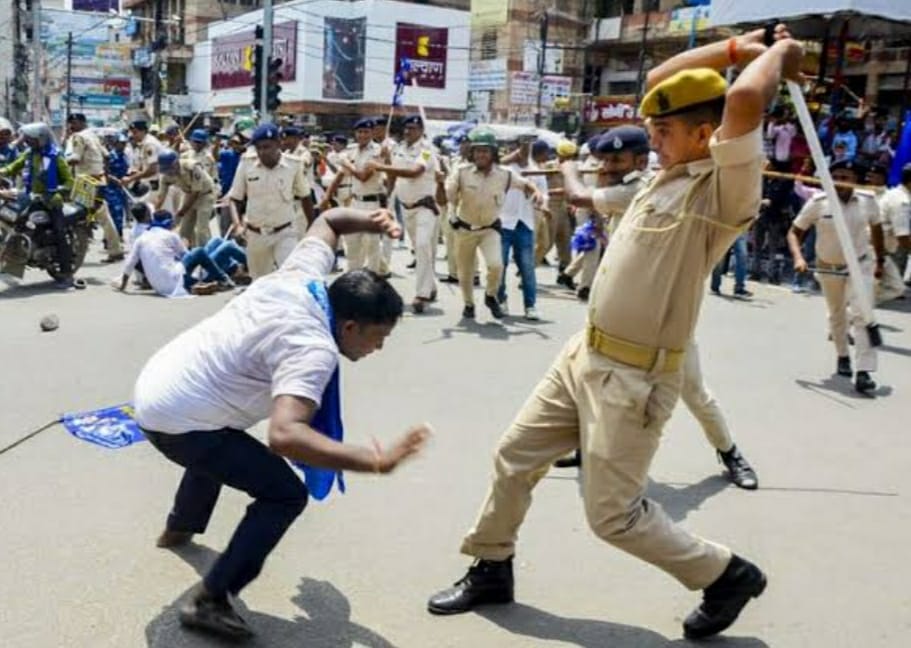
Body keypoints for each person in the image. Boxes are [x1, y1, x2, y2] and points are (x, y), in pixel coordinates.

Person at [427, 26, 803, 639]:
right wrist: (741, 47)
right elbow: (660, 81)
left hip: (636, 377)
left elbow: (742, 104)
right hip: (585, 355)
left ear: (705, 135)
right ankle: (491, 564)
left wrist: (780, 57)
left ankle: (725, 573)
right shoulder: (667, 172)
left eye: (664, 131)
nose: (650, 141)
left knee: (613, 517)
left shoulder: (723, 187)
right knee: (515, 456)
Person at [133, 206, 429, 640]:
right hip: (180, 418)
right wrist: (371, 460)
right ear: (349, 325)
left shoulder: (301, 278)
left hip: (158, 385)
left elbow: (328, 221)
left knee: (220, 435)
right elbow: (286, 434)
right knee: (284, 494)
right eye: (377, 337)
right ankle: (210, 599)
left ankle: (180, 525)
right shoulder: (313, 348)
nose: (378, 348)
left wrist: (372, 219)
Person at [787, 159, 886, 394]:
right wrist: (798, 258)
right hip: (828, 267)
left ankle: (864, 371)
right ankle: (842, 355)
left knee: (863, 314)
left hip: (860, 265)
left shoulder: (868, 201)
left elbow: (877, 230)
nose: (840, 181)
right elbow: (794, 232)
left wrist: (880, 261)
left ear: (855, 181)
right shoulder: (818, 202)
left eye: (846, 177)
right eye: (836, 176)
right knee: (837, 314)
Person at [444, 128, 544, 320]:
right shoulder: (461, 172)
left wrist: (536, 193)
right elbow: (449, 196)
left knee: (497, 265)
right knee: (465, 273)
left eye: (485, 151)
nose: (481, 155)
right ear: (472, 153)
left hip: (490, 229)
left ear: (493, 153)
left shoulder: (504, 175)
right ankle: (468, 304)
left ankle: (490, 296)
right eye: (477, 151)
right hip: (465, 229)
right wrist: (444, 186)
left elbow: (525, 184)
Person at [367, 115, 440, 313]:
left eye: (414, 128)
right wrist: (388, 195)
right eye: (407, 128)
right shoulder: (398, 148)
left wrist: (381, 166)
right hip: (406, 207)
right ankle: (431, 286)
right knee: (419, 248)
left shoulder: (426, 151)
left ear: (422, 130)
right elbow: (394, 175)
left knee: (424, 245)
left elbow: (415, 171)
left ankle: (422, 294)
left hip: (425, 206)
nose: (409, 131)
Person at [228, 123, 312, 279]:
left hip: (285, 232)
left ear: (279, 144)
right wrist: (238, 226)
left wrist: (312, 229)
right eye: (258, 148)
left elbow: (305, 196)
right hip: (256, 234)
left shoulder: (293, 165)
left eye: (267, 147)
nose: (262, 152)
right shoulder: (246, 164)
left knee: (290, 277)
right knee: (259, 282)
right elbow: (235, 199)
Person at [0, 122, 75, 288]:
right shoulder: (29, 154)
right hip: (30, 197)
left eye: (30, 139)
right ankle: (16, 258)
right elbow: (13, 167)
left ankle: (67, 274)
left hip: (50, 201)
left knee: (60, 233)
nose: (27, 142)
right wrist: (2, 172)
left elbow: (70, 181)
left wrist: (55, 190)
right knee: (13, 221)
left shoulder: (55, 156)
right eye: (26, 139)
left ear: (41, 138)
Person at [320, 118, 387, 274]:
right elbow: (339, 175)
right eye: (359, 132)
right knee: (352, 243)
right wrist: (327, 196)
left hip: (372, 203)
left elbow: (364, 176)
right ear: (355, 133)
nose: (362, 135)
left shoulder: (378, 151)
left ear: (372, 133)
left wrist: (348, 164)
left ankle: (372, 280)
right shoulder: (351, 151)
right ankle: (353, 279)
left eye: (366, 132)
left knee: (372, 245)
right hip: (355, 202)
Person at [114, 210, 232, 297]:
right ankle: (223, 279)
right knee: (200, 252)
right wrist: (185, 245)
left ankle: (201, 283)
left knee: (209, 251)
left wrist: (123, 285)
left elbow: (130, 263)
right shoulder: (170, 235)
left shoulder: (141, 238)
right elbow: (186, 256)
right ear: (169, 222)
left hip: (158, 286)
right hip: (174, 279)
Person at [498, 138, 549, 320]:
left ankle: (530, 305)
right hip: (504, 222)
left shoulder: (537, 170)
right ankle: (500, 300)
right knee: (500, 265)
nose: (524, 151)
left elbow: (543, 194)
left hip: (525, 222)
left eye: (528, 147)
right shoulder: (504, 169)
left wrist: (541, 201)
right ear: (515, 148)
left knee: (527, 267)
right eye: (522, 146)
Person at [64, 113, 124, 263]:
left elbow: (75, 159)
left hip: (86, 182)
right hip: (98, 180)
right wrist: (104, 172)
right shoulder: (94, 135)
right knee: (101, 215)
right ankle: (114, 249)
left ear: (81, 122)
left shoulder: (78, 137)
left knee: (75, 215)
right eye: (70, 123)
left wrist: (62, 161)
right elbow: (107, 156)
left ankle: (77, 249)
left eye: (74, 123)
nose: (71, 126)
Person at [152, 149, 216, 248]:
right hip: (189, 194)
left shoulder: (192, 167)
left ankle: (208, 253)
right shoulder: (165, 176)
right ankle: (190, 252)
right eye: (166, 169)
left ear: (176, 163)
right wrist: (155, 212)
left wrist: (182, 211)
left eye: (169, 168)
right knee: (184, 230)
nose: (168, 172)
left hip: (204, 195)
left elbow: (196, 192)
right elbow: (161, 196)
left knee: (201, 229)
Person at [874, 162, 911, 299]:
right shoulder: (901, 202)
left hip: (884, 248)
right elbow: (902, 236)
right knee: (891, 288)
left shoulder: (897, 193)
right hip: (879, 248)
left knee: (895, 287)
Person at [121, 120, 163, 190]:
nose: (133, 136)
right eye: (132, 133)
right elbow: (143, 166)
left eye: (135, 132)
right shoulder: (143, 144)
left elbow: (152, 170)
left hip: (156, 184)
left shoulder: (149, 144)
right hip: (149, 184)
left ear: (143, 131)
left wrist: (130, 179)